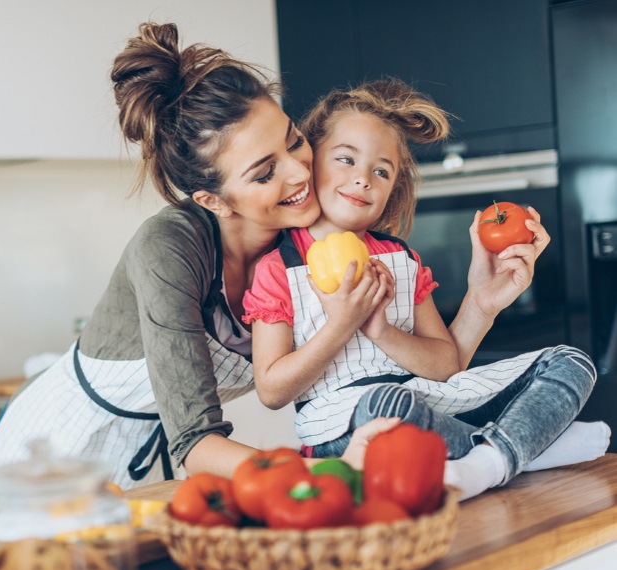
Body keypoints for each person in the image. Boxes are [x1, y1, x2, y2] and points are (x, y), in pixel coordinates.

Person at [0, 23, 561, 490]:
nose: (298, 172)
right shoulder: (170, 249)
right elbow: (196, 440)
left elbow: (436, 359)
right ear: (213, 199)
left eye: (292, 140)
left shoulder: (313, 236)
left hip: (174, 463)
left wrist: (483, 304)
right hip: (57, 451)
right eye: (265, 172)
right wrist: (333, 474)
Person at [243, 80, 608, 500]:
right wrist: (342, 325)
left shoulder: (402, 258)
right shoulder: (279, 268)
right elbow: (271, 390)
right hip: (343, 424)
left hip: (427, 398)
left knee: (571, 362)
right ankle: (519, 451)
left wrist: (382, 331)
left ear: (392, 188)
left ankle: (489, 460)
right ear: (310, 164)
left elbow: (445, 365)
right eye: (346, 159)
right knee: (390, 405)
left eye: (381, 171)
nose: (362, 179)